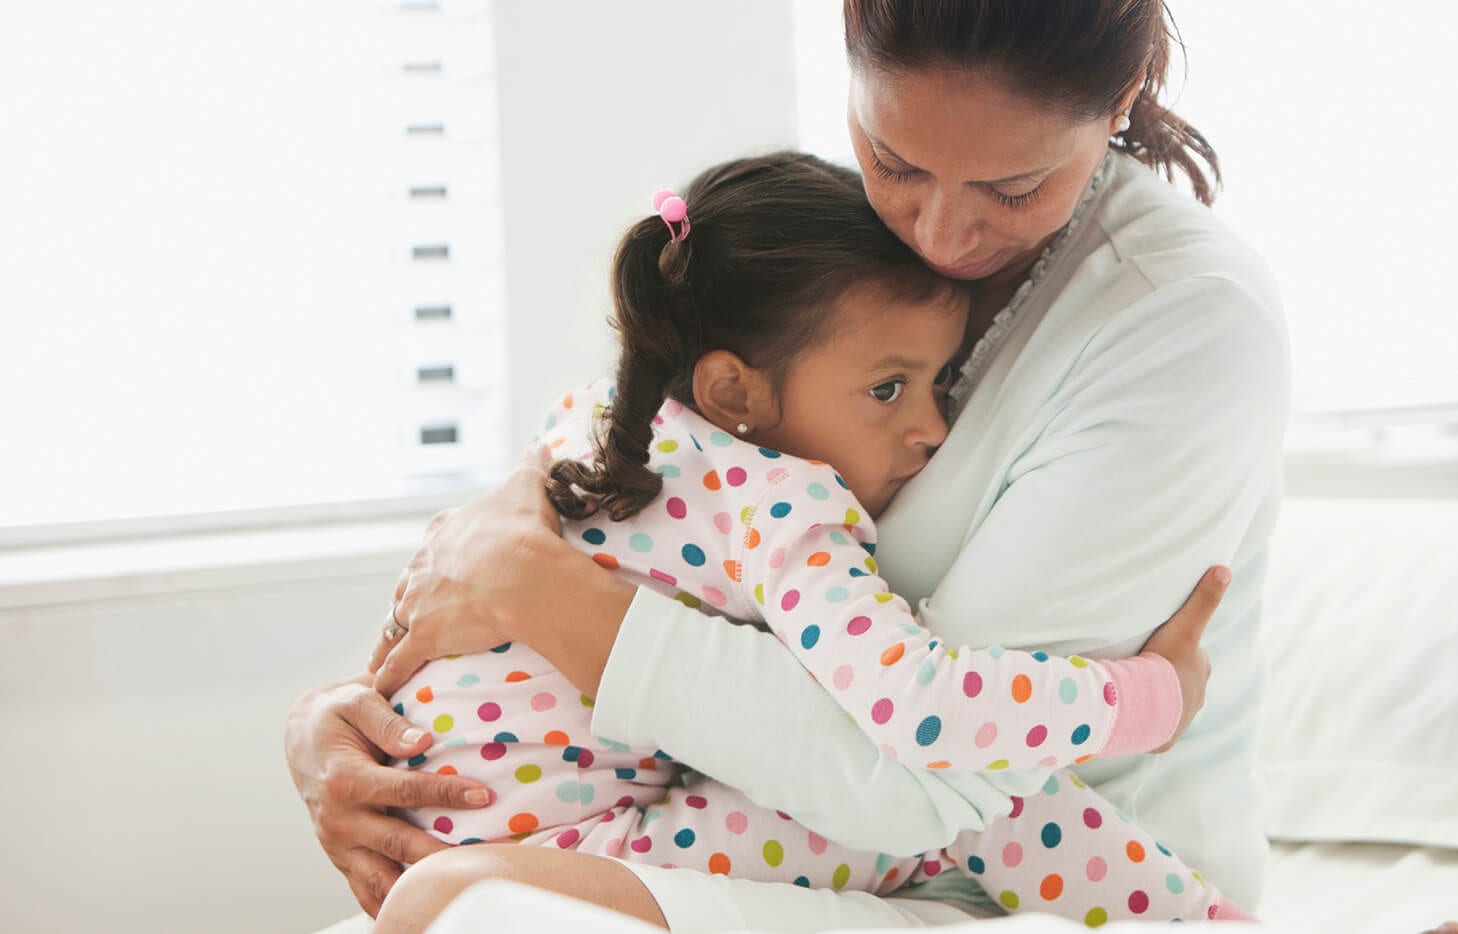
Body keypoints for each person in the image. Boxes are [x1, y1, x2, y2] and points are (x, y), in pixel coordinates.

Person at [287, 0, 1290, 928]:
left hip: (1018, 891)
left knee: (484, 910)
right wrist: (347, 725)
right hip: (751, 814)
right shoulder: (818, 281)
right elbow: (581, 534)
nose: (939, 234)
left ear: (1116, 102)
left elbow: (934, 773)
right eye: (891, 160)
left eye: (1012, 187)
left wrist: (544, 598)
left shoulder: (1180, 324)